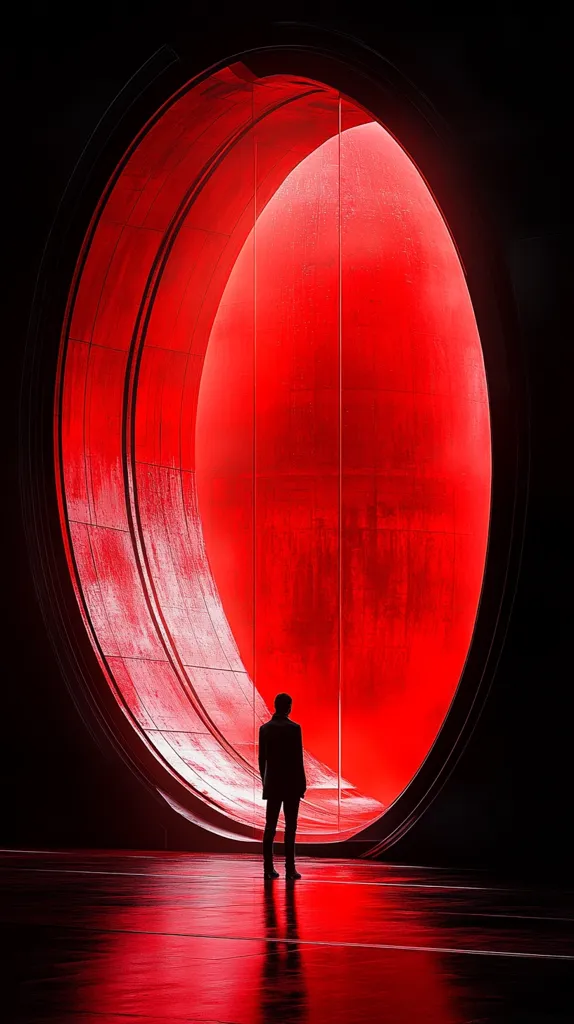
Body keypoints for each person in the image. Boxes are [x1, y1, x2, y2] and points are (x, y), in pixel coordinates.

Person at [259, 693, 307, 880]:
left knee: (270, 827)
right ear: (289, 707)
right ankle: (290, 868)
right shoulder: (294, 729)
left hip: (273, 785)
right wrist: (302, 784)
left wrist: (265, 781)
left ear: (275, 706)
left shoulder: (265, 729)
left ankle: (268, 868)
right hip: (291, 785)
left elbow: (262, 760)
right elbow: (298, 760)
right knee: (290, 827)